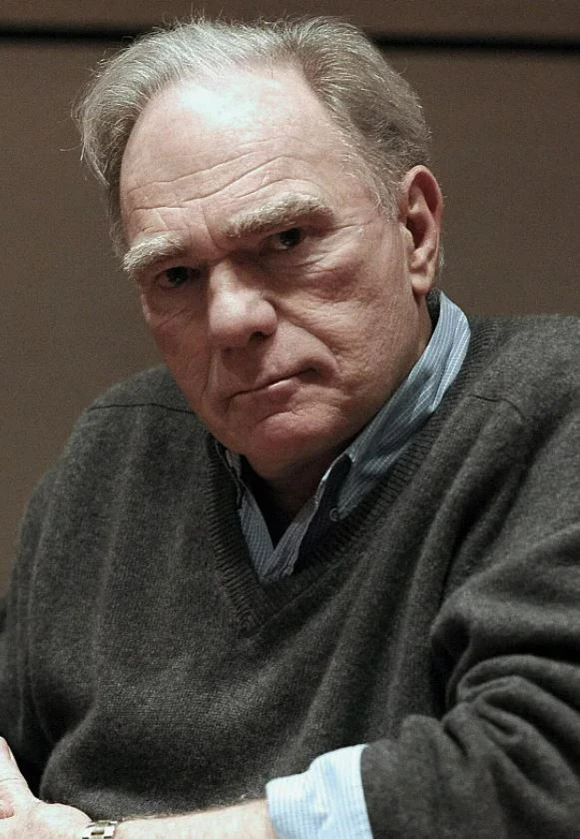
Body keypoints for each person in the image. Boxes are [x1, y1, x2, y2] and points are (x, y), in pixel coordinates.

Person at [0, 15, 579, 839]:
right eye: (177, 274)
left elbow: (537, 776)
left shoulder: (553, 416)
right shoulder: (114, 454)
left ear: (415, 231)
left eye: (285, 239)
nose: (231, 318)